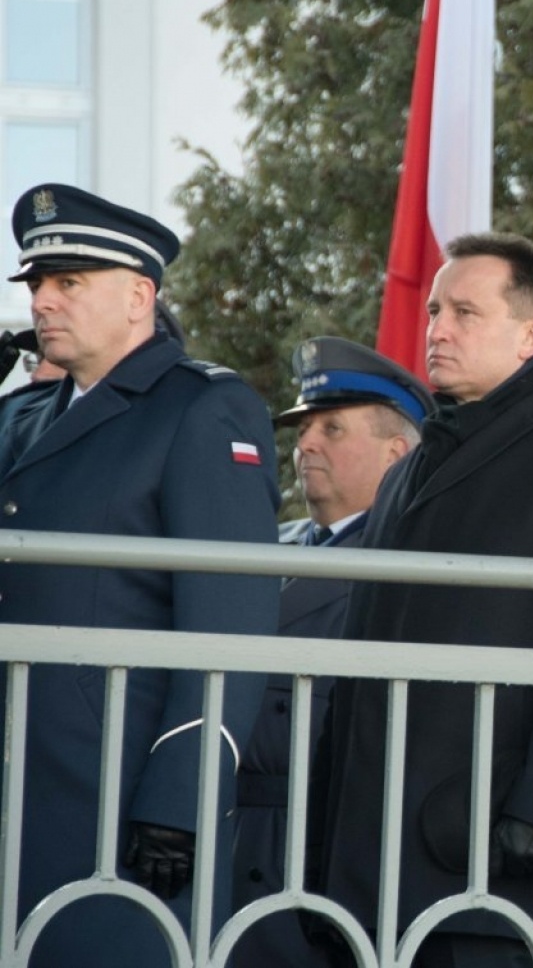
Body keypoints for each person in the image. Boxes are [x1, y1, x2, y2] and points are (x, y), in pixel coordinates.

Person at [308, 232, 533, 967]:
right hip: (363, 862)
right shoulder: (418, 459)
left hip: (482, 858)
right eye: (435, 310)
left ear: (531, 335)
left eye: (465, 312)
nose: (437, 329)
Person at [0, 182, 281, 966]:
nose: (44, 301)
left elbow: (232, 620)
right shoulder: (25, 416)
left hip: (118, 793)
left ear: (139, 297)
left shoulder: (200, 410)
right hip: (26, 781)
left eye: (68, 283)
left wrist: (182, 798)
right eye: (39, 285)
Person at [231, 336, 435, 967]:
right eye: (305, 427)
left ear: (398, 454)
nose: (306, 443)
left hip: (319, 854)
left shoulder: (412, 568)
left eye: (332, 429)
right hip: (230, 840)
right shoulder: (263, 546)